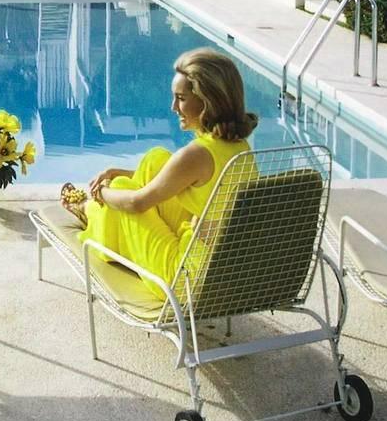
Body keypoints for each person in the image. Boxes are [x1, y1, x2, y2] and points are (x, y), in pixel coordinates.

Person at [61, 48, 258, 296]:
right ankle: (100, 215)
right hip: (222, 267)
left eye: (181, 98)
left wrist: (103, 192)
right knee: (157, 160)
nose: (173, 107)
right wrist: (119, 172)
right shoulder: (238, 147)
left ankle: (91, 210)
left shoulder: (197, 155)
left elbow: (136, 202)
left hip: (183, 278)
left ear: (208, 101)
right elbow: (175, 177)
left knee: (123, 189)